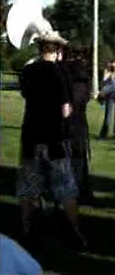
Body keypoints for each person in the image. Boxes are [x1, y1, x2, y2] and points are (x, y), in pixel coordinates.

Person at [17, 32, 86, 250]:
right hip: (55, 137)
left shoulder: (27, 71)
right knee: (65, 186)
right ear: (57, 50)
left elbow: (26, 95)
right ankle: (74, 232)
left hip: (30, 135)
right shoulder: (61, 72)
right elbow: (65, 110)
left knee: (29, 186)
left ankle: (27, 229)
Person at [61, 45, 93, 202]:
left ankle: (74, 189)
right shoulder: (80, 74)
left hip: (65, 120)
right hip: (77, 121)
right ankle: (79, 190)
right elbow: (81, 99)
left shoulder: (62, 71)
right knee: (78, 157)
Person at [99, 58, 115, 139]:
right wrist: (108, 73)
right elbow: (104, 82)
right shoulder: (107, 72)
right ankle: (104, 134)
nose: (114, 66)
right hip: (110, 95)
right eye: (112, 64)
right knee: (108, 115)